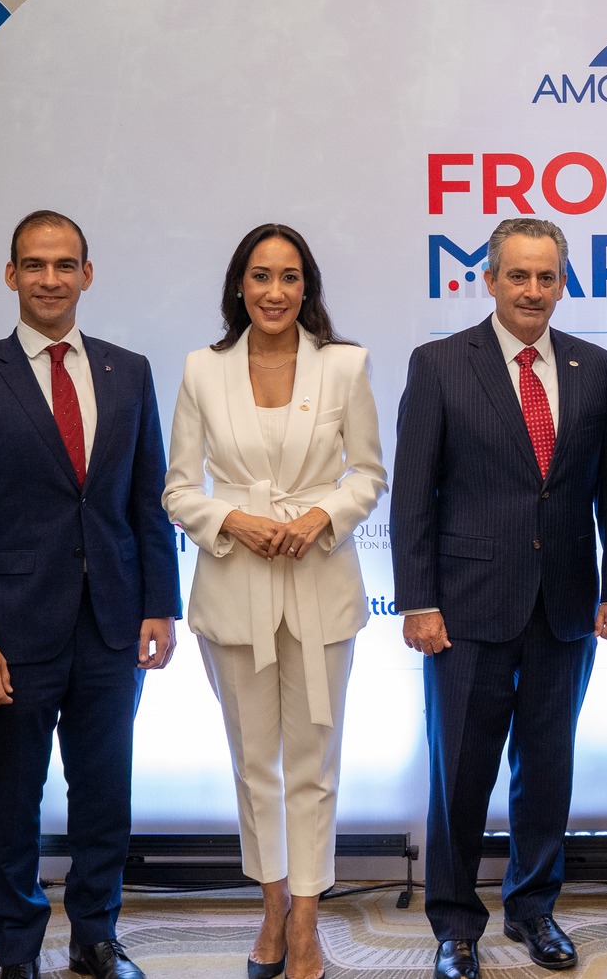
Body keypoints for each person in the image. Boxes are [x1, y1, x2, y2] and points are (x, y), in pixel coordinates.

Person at [0, 210, 182, 979]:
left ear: (87, 274)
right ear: (11, 275)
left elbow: (147, 500)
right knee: (14, 800)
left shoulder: (128, 370)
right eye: (35, 265)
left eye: (64, 264)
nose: (50, 278)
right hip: (11, 634)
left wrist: (160, 604)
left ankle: (96, 935)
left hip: (112, 624)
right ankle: (17, 949)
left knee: (105, 791)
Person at [390, 217, 607, 979]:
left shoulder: (595, 366)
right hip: (465, 608)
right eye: (519, 274)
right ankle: (455, 923)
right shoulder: (439, 363)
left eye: (547, 277)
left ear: (563, 283)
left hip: (565, 605)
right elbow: (412, 493)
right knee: (461, 775)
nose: (533, 290)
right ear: (490, 278)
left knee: (547, 771)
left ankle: (534, 908)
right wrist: (417, 599)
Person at [164, 224, 388, 979]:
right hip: (235, 587)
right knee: (253, 762)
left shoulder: (346, 364)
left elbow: (368, 473)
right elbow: (178, 488)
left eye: (290, 277)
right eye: (261, 276)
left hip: (321, 581)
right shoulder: (202, 369)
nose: (275, 291)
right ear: (239, 285)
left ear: (307, 287)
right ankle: (271, 904)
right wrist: (232, 520)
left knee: (314, 766)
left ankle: (306, 919)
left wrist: (323, 514)